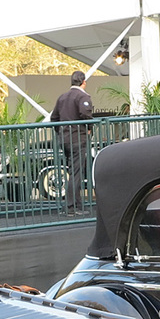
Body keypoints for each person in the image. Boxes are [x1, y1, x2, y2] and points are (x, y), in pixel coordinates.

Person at [51, 69, 94, 213]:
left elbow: (54, 118)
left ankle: (74, 205)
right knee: (77, 172)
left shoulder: (62, 97)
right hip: (78, 138)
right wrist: (89, 128)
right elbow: (85, 114)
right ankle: (71, 207)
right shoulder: (83, 97)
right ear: (84, 82)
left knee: (72, 171)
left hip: (65, 139)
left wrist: (61, 132)